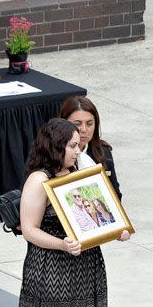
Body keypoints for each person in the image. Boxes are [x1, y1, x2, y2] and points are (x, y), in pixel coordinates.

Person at [19, 118, 130, 306]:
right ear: (55, 146)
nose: (78, 151)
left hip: (87, 267)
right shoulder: (38, 180)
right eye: (73, 146)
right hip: (52, 269)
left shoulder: (77, 171)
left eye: (78, 145)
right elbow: (29, 230)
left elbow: (97, 215)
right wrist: (62, 245)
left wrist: (115, 230)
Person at [59, 96, 122, 200]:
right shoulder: (52, 153)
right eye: (77, 124)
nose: (84, 129)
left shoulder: (103, 151)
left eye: (89, 124)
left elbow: (115, 193)